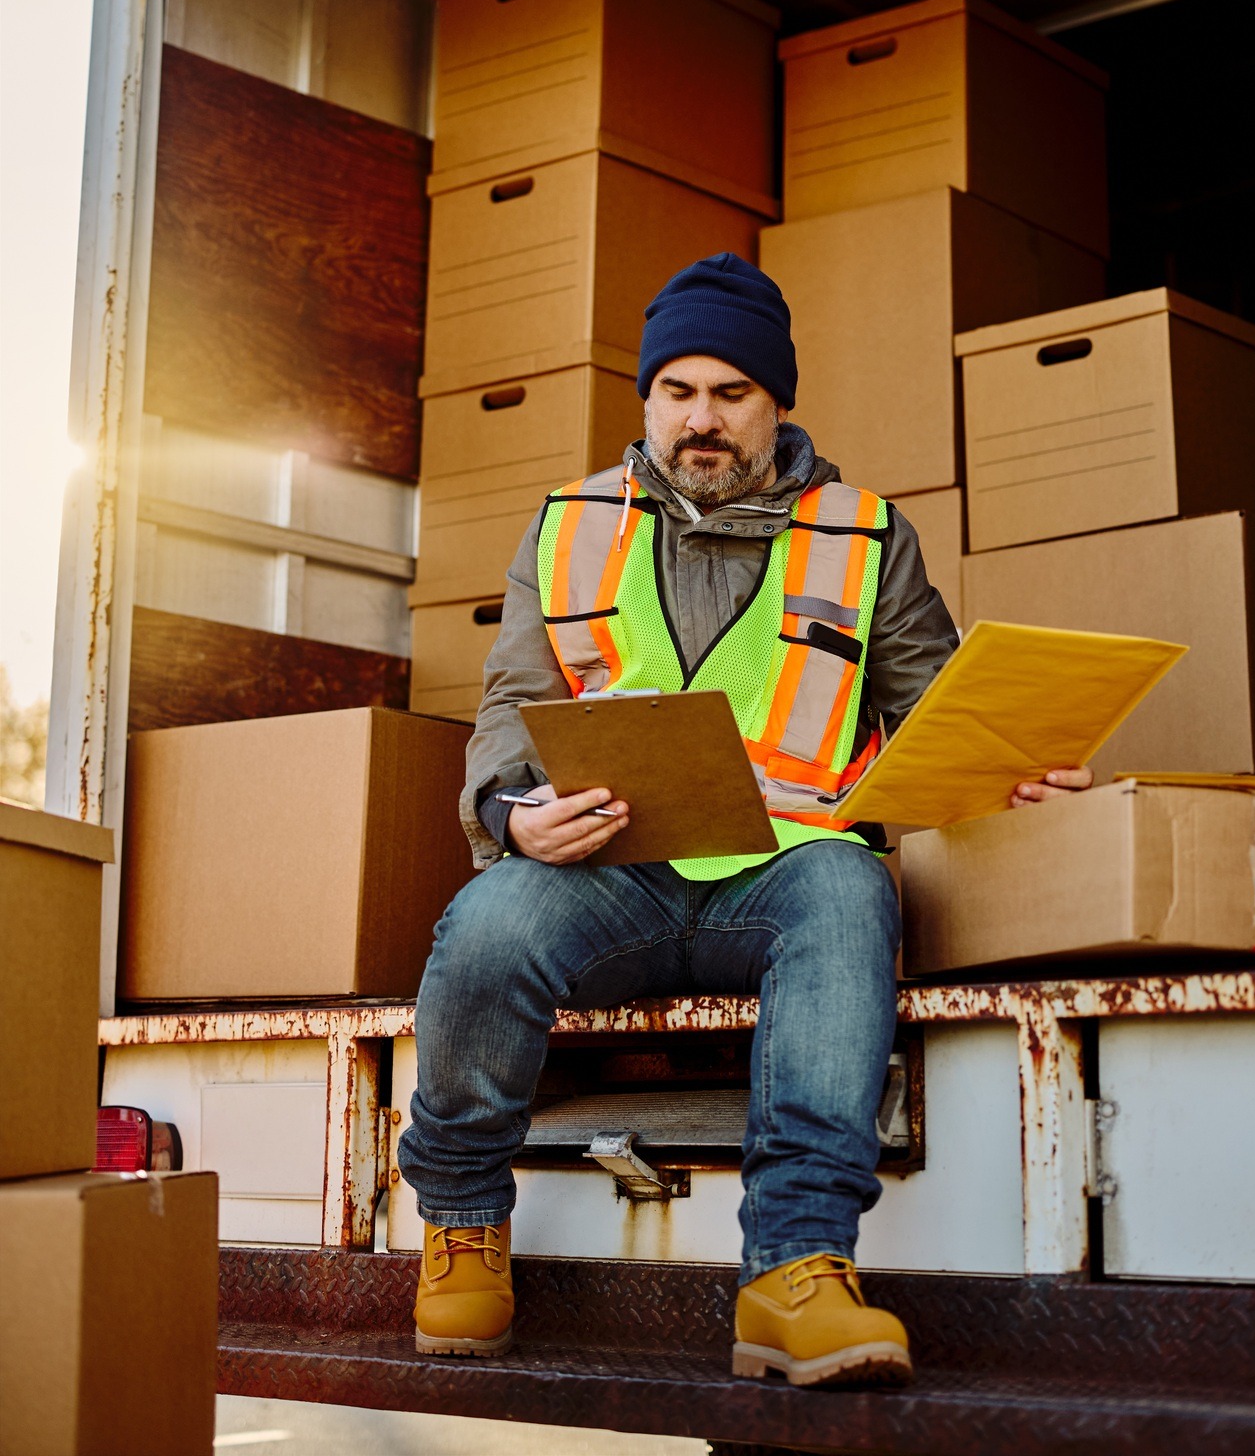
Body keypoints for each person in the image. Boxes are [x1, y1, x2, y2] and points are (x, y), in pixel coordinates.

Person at [398, 253, 1092, 1385]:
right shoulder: (570, 523)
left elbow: (935, 713)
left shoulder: (865, 534)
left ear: (777, 403)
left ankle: (794, 1270)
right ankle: (464, 1222)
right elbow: (504, 720)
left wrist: (1002, 772)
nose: (701, 419)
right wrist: (516, 814)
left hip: (783, 875)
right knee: (482, 925)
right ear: (647, 401)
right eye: (678, 391)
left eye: (731, 392)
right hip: (606, 875)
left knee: (849, 889)